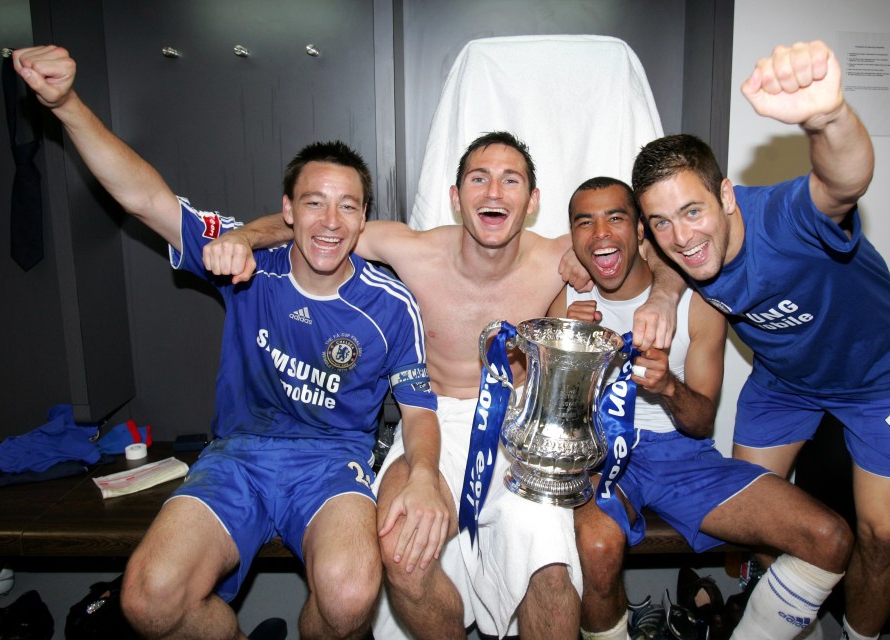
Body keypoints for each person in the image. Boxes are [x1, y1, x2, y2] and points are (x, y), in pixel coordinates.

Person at [13, 45, 450, 640]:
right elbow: (145, 197)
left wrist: (424, 471)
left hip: (330, 465)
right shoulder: (248, 264)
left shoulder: (389, 304)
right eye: (313, 202)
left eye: (347, 206)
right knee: (148, 599)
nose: (330, 220)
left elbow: (420, 408)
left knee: (349, 599)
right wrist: (65, 105)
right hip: (238, 456)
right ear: (287, 211)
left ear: (364, 216)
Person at [201, 132, 683, 639]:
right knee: (401, 549)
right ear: (456, 198)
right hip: (430, 420)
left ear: (532, 201)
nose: (494, 192)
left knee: (551, 565)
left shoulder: (560, 254)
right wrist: (243, 237)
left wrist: (665, 301)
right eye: (479, 179)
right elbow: (318, 225)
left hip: (518, 425)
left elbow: (658, 251)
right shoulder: (413, 249)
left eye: (510, 180)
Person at [633, 41, 890, 640]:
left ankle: (858, 637)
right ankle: (798, 612)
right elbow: (665, 258)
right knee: (756, 523)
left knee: (885, 535)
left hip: (878, 379)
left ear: (726, 196)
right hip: (784, 380)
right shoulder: (678, 249)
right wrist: (663, 295)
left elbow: (842, 182)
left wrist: (828, 118)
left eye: (692, 211)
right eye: (661, 222)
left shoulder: (785, 218)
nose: (681, 237)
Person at [552, 176, 852, 640]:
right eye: (584, 222)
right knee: (595, 544)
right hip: (599, 456)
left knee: (830, 538)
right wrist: (568, 353)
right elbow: (548, 416)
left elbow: (700, 423)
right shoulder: (568, 302)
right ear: (573, 237)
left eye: (616, 217)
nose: (601, 233)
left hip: (681, 456)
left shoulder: (694, 304)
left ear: (640, 233)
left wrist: (668, 387)